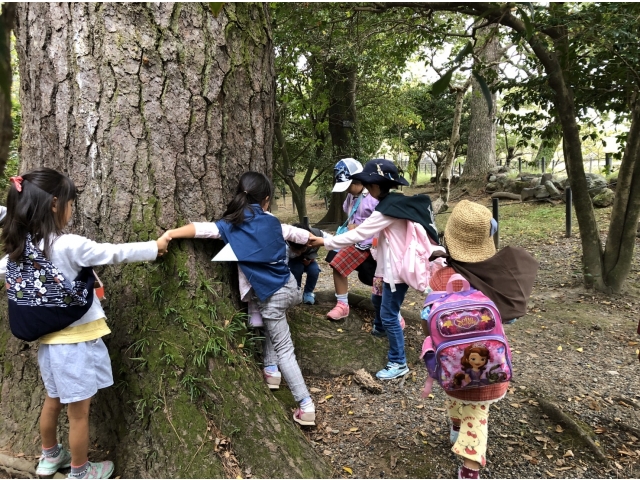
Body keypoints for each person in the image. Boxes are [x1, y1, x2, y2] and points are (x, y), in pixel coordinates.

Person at [0, 169, 170, 479]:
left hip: (48, 346)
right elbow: (113, 253)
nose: (71, 209)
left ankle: (50, 457)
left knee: (52, 401)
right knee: (78, 413)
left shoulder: (18, 251)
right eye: (70, 203)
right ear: (54, 204)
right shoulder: (67, 245)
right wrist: (154, 247)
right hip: (75, 345)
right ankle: (80, 471)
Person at [161, 172, 317, 426]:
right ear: (265, 200)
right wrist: (319, 239)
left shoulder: (229, 226)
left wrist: (170, 234)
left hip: (271, 296)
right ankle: (271, 371)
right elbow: (301, 236)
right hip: (291, 288)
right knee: (274, 326)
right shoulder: (274, 222)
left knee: (284, 347)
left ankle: (305, 405)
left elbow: (200, 230)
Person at [424, 200, 538, 480]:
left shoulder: (441, 276)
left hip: (451, 366)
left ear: (448, 239)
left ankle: (455, 431)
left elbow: (429, 316)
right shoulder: (498, 277)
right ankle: (469, 469)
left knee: (454, 394)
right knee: (478, 415)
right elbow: (509, 318)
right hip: (491, 367)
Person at [309, 159, 443, 380]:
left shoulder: (386, 210)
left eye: (370, 185)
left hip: (396, 273)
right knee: (377, 299)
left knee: (390, 314)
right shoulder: (393, 203)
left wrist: (325, 242)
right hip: (385, 269)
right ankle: (380, 330)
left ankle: (398, 361)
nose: (368, 189)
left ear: (377, 186)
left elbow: (359, 234)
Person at [326, 158, 379, 321]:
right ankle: (342, 304)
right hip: (354, 243)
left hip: (372, 245)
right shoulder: (351, 195)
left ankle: (389, 311)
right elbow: (350, 213)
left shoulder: (373, 197)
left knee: (380, 279)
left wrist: (360, 228)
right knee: (337, 263)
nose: (347, 190)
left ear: (359, 180)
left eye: (349, 185)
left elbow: (381, 223)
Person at [287, 223, 333, 305]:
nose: (299, 252)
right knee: (297, 270)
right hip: (294, 261)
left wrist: (310, 259)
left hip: (309, 260)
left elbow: (332, 240)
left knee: (314, 270)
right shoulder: (285, 241)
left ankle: (308, 293)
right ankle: (296, 292)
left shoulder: (317, 234)